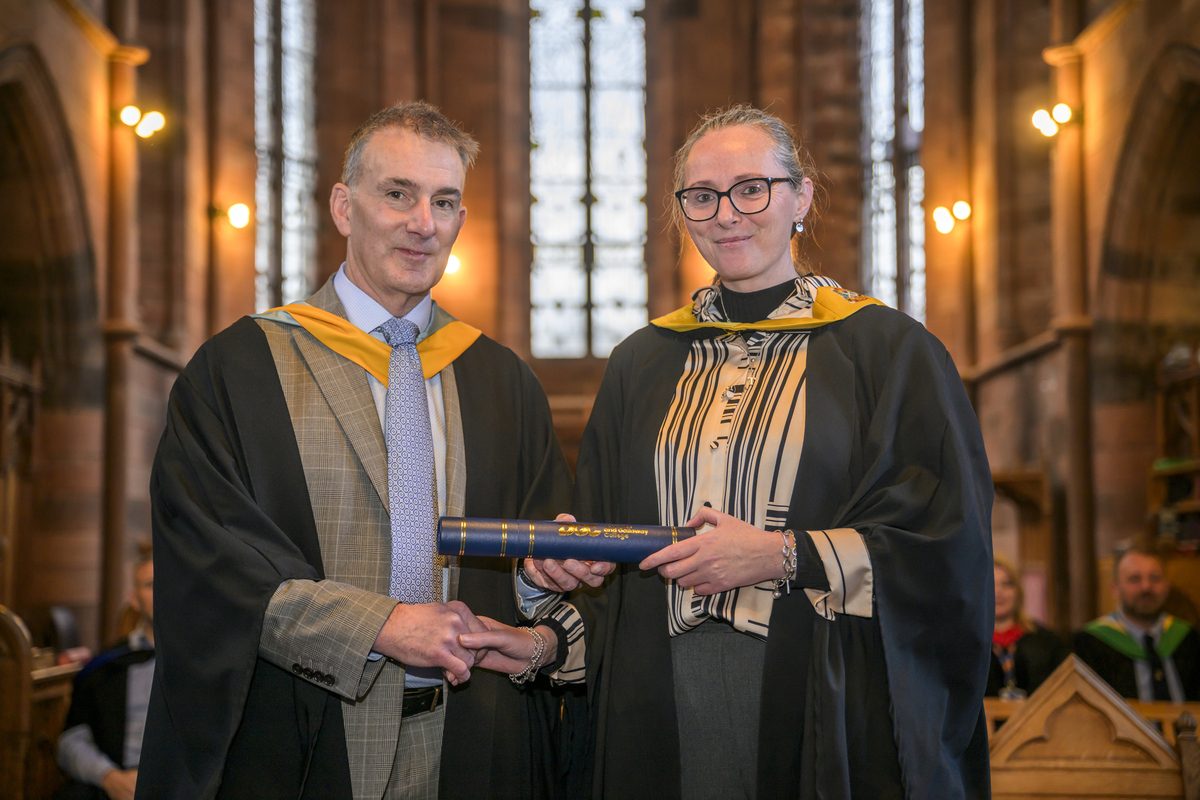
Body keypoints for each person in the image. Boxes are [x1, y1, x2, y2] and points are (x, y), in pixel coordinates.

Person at [463, 105, 994, 799]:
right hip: (658, 699)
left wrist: (781, 555)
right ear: (683, 212)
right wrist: (565, 569)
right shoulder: (642, 362)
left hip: (822, 696)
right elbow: (606, 549)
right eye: (702, 196)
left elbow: (947, 545)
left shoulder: (889, 351)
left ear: (800, 196)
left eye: (753, 188)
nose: (727, 213)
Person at [136, 101, 572, 800]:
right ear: (344, 206)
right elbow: (212, 566)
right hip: (302, 737)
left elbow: (539, 557)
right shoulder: (238, 370)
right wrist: (384, 626)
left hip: (472, 737)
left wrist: (543, 576)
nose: (422, 222)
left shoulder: (501, 381)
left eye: (444, 201)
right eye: (397, 193)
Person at [56, 544, 155, 800]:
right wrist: (109, 777)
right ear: (134, 598)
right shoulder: (108, 665)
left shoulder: (210, 665)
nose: (164, 593)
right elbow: (71, 740)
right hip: (121, 784)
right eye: (152, 585)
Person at [1075, 545, 1200, 702]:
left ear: (1167, 586)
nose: (1146, 587)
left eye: (1155, 578)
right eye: (1135, 579)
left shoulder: (1190, 640)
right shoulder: (1089, 644)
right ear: (1115, 589)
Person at [987, 555, 1070, 699]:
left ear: (1018, 591)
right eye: (991, 584)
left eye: (1007, 584)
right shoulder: (968, 644)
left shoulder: (1047, 642)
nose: (998, 592)